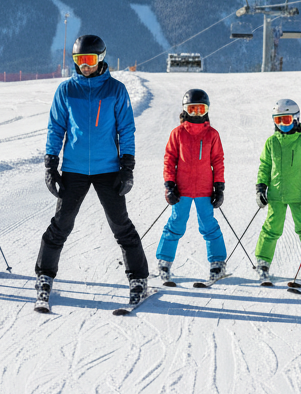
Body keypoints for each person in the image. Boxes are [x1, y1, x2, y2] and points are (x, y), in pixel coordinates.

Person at [36, 34, 147, 309]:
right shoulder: (66, 90)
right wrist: (51, 164)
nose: (84, 66)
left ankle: (139, 279)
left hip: (108, 169)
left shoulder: (115, 90)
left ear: (101, 59)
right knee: (61, 224)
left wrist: (127, 166)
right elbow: (55, 128)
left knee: (121, 225)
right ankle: (44, 276)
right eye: (79, 60)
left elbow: (127, 130)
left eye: (89, 60)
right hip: (74, 169)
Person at [156, 88, 227, 282]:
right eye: (192, 109)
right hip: (182, 189)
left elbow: (218, 161)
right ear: (185, 110)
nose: (196, 113)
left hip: (204, 189)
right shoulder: (177, 133)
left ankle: (217, 263)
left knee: (208, 225)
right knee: (176, 224)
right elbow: (169, 160)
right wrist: (170, 185)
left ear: (207, 110)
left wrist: (219, 187)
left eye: (200, 109)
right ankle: (164, 261)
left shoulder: (212, 134)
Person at [254, 98, 301, 283]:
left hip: (298, 195)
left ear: (296, 119)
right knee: (271, 228)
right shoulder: (271, 142)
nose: (282, 125)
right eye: (278, 120)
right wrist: (261, 187)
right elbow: (265, 166)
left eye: (286, 120)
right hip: (276, 195)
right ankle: (262, 263)